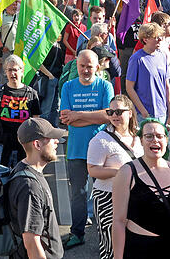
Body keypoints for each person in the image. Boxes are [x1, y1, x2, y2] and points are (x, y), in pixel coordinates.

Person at [111, 118, 170, 259]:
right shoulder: (127, 172)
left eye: (160, 136)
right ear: (141, 141)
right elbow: (118, 221)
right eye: (148, 136)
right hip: (140, 249)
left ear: (166, 140)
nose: (154, 140)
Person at [58, 50, 114, 250]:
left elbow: (109, 116)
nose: (85, 70)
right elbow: (66, 119)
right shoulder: (68, 87)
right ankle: (77, 233)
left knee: (103, 193)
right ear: (76, 66)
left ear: (97, 67)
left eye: (90, 66)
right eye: (82, 66)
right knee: (78, 194)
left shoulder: (105, 86)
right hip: (76, 149)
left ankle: (107, 234)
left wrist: (78, 115)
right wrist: (91, 117)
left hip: (101, 149)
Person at [87, 95, 142, 259]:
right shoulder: (100, 139)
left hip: (135, 196)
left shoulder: (139, 137)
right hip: (107, 197)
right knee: (111, 247)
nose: (114, 116)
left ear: (130, 113)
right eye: (110, 112)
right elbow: (92, 170)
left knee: (134, 243)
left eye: (119, 111)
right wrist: (119, 172)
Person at [7, 117, 65, 259]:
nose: (56, 141)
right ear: (37, 144)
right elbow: (31, 242)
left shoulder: (24, 169)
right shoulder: (29, 187)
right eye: (51, 138)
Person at [0, 55, 41, 167]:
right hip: (1, 148)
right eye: (9, 70)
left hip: (24, 150)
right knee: (1, 183)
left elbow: (36, 127)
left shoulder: (32, 94)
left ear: (22, 71)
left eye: (15, 70)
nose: (12, 73)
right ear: (5, 72)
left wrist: (36, 153)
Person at [125, 22, 170, 123]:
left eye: (160, 36)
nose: (160, 39)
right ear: (145, 39)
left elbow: (167, 86)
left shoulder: (162, 56)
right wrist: (143, 112)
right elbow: (129, 87)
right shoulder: (136, 59)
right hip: (144, 115)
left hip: (162, 113)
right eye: (156, 37)